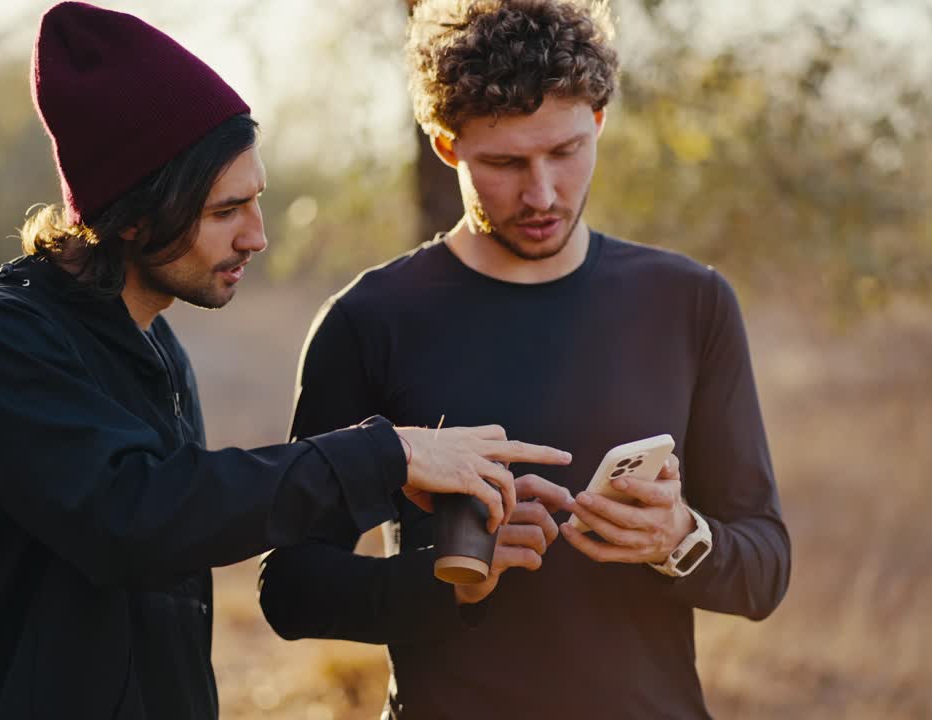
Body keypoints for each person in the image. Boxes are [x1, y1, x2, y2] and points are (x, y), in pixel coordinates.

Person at [0, 3, 572, 718]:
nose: (257, 236)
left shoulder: (156, 346)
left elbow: (186, 530)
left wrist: (434, 543)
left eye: (256, 200)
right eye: (226, 212)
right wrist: (385, 456)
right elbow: (134, 517)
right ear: (133, 215)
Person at [257, 1, 791, 717]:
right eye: (505, 163)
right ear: (446, 144)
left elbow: (765, 568)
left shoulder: (691, 302)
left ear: (599, 119)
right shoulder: (368, 321)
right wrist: (454, 577)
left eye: (565, 152)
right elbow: (290, 589)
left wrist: (678, 538)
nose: (541, 193)